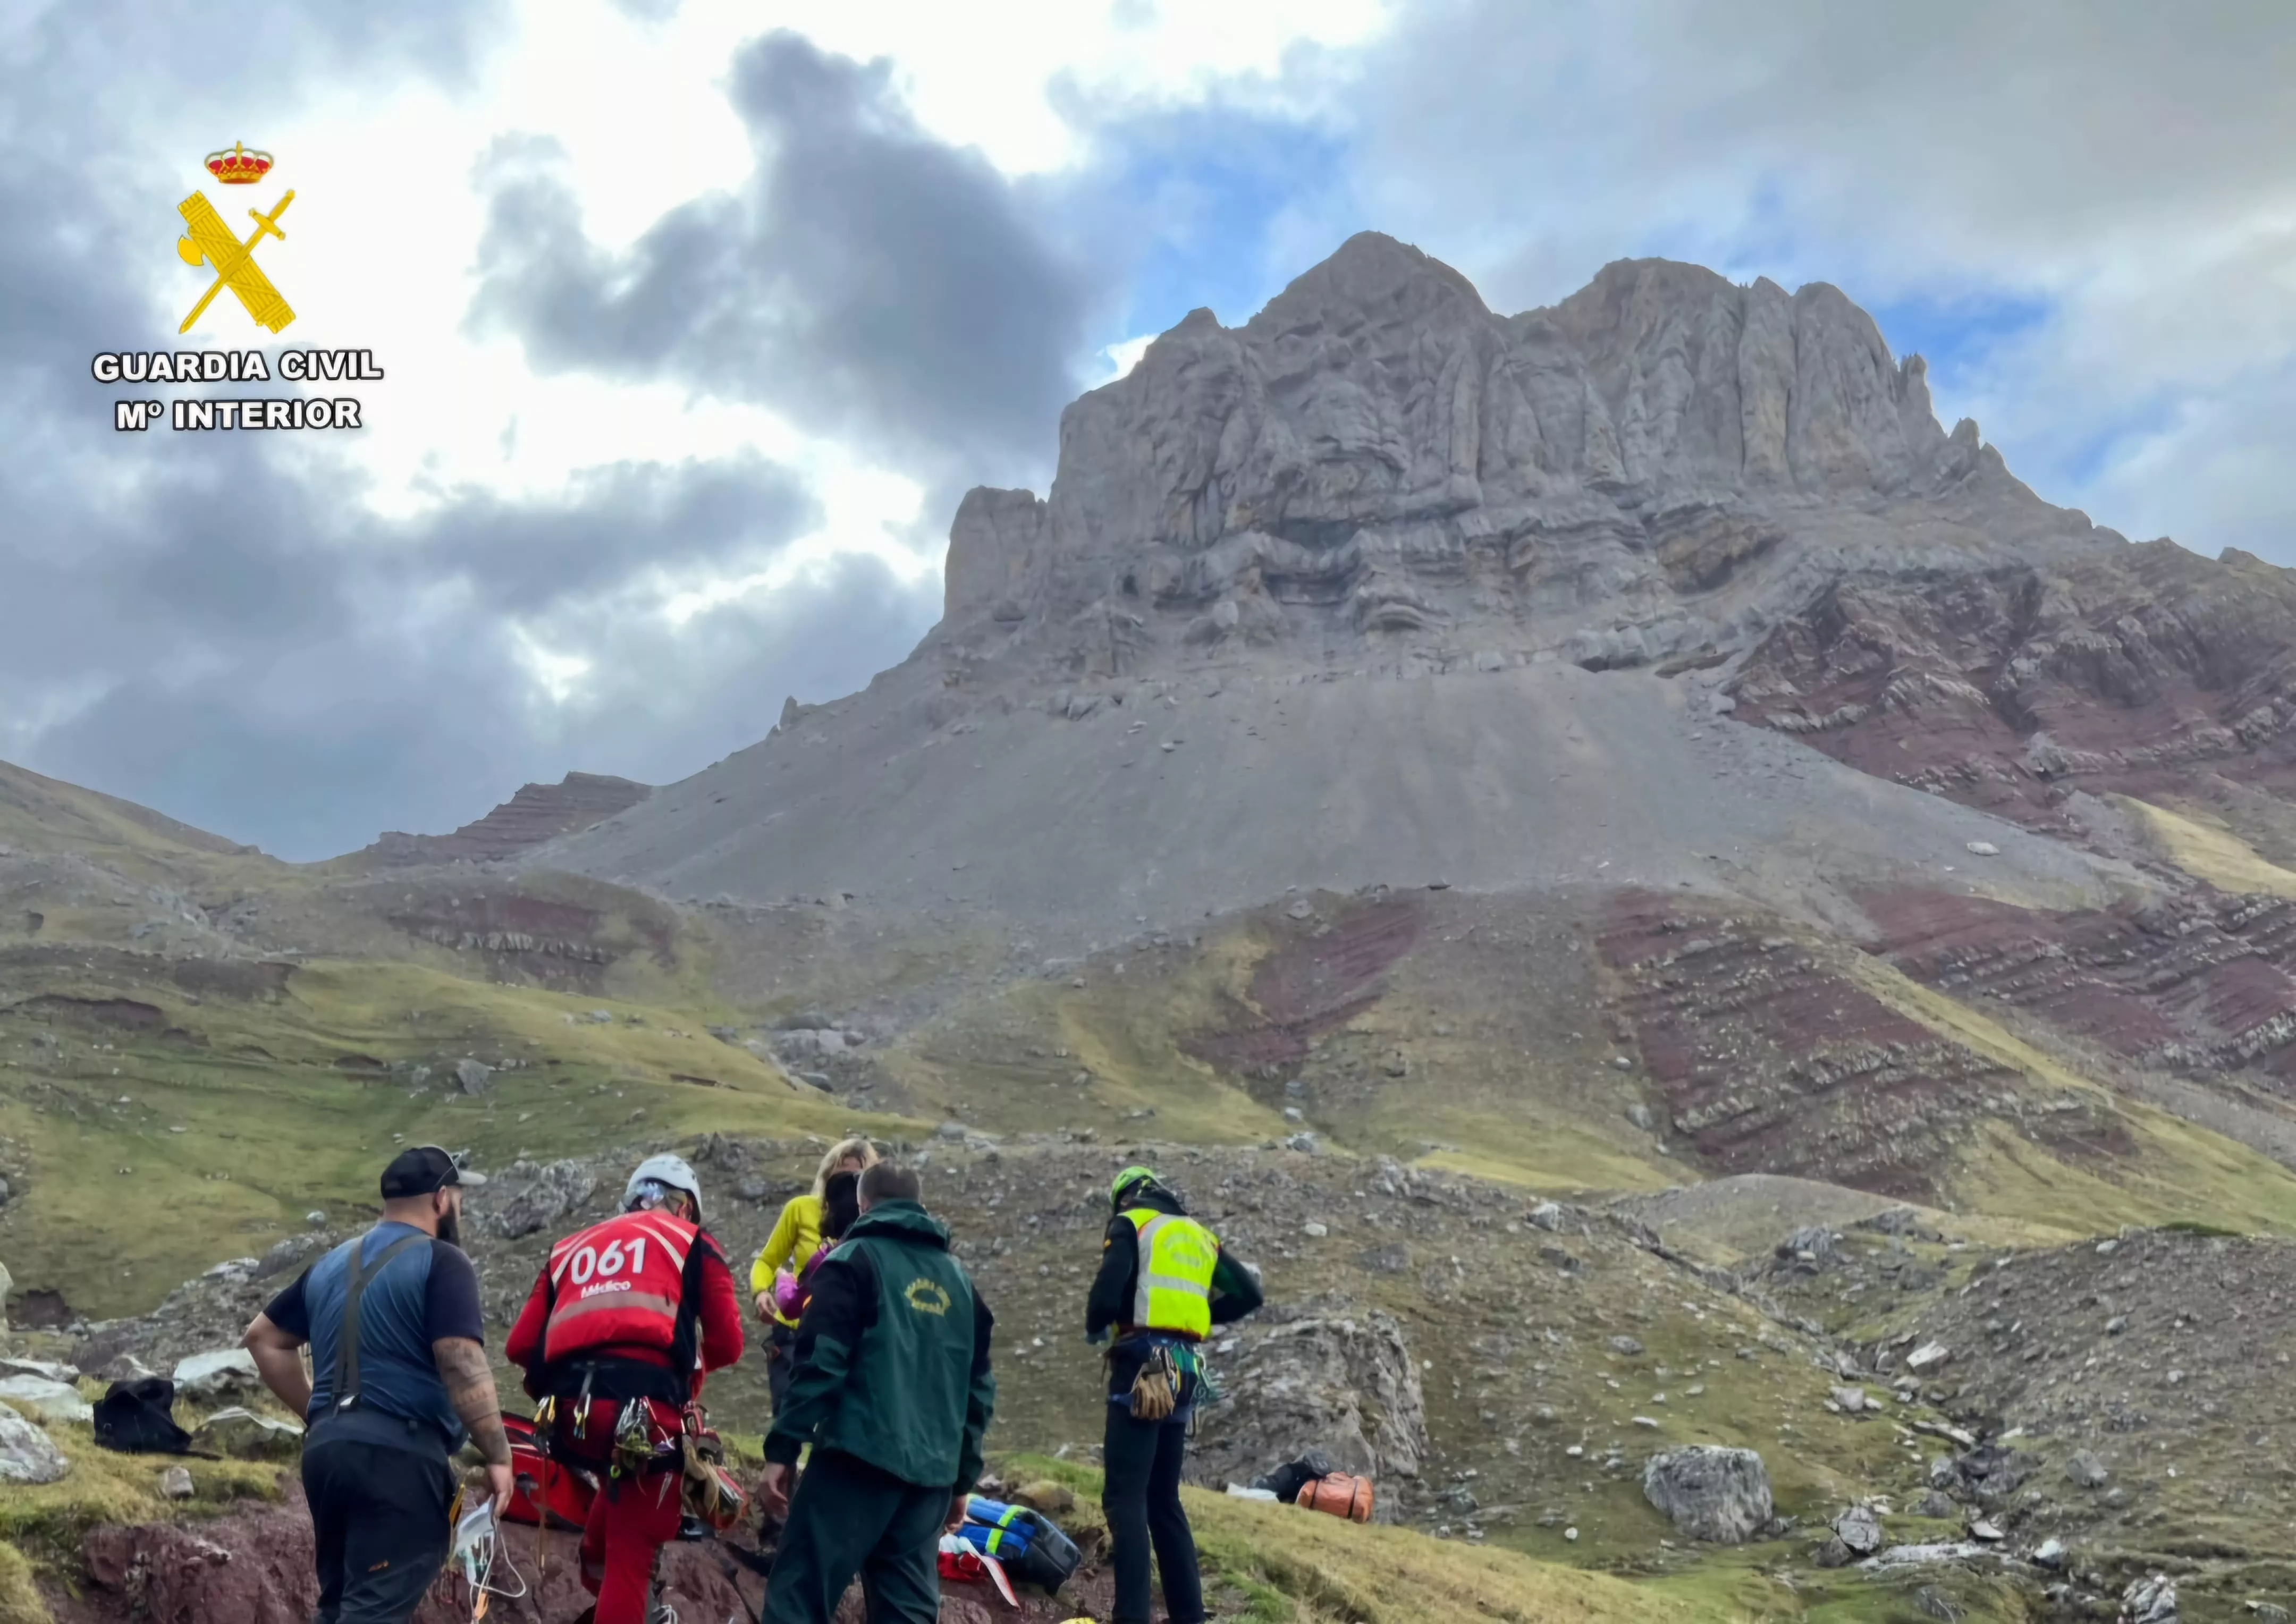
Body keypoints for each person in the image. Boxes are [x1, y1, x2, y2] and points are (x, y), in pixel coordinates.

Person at [243, 1146, 514, 1624]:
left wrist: (322, 1415)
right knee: (373, 1613)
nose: (460, 1206)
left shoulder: (329, 1266)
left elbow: (263, 1339)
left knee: (341, 1606)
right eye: (458, 1195)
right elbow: (460, 1359)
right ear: (440, 1200)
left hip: (327, 1455)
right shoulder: (443, 1261)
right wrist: (498, 1455)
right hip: (399, 1462)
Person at [505, 1153, 746, 1624]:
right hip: (647, 1419)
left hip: (572, 1416)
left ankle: (622, 1595)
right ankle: (631, 1602)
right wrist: (686, 1383)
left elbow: (519, 1346)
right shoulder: (692, 1241)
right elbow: (729, 1344)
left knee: (614, 1534)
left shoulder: (569, 1247)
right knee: (633, 1559)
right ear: (687, 1209)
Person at [759, 1162, 995, 1624]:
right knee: (907, 1614)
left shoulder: (852, 1261)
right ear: (920, 1207)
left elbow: (819, 1365)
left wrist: (782, 1450)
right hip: (929, 1483)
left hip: (856, 1463)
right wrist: (962, 1480)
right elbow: (979, 1391)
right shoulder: (962, 1285)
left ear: (863, 1205)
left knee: (798, 1598)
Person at [1086, 1165, 1264, 1624]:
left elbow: (1108, 1292)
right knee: (1163, 1498)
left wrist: (1097, 1324)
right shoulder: (1199, 1235)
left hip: (1143, 1367)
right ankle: (1190, 1617)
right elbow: (1248, 1295)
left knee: (1126, 1499)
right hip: (1185, 1368)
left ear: (1124, 1197)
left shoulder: (1132, 1221)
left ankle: (1132, 1617)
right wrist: (1195, 1313)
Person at [753, 1137, 879, 1412]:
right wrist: (761, 1292)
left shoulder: (875, 1222)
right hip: (794, 1331)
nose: (847, 1184)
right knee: (789, 1414)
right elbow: (767, 1261)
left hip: (846, 1335)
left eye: (856, 1177)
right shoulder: (800, 1210)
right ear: (828, 1175)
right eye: (841, 1174)